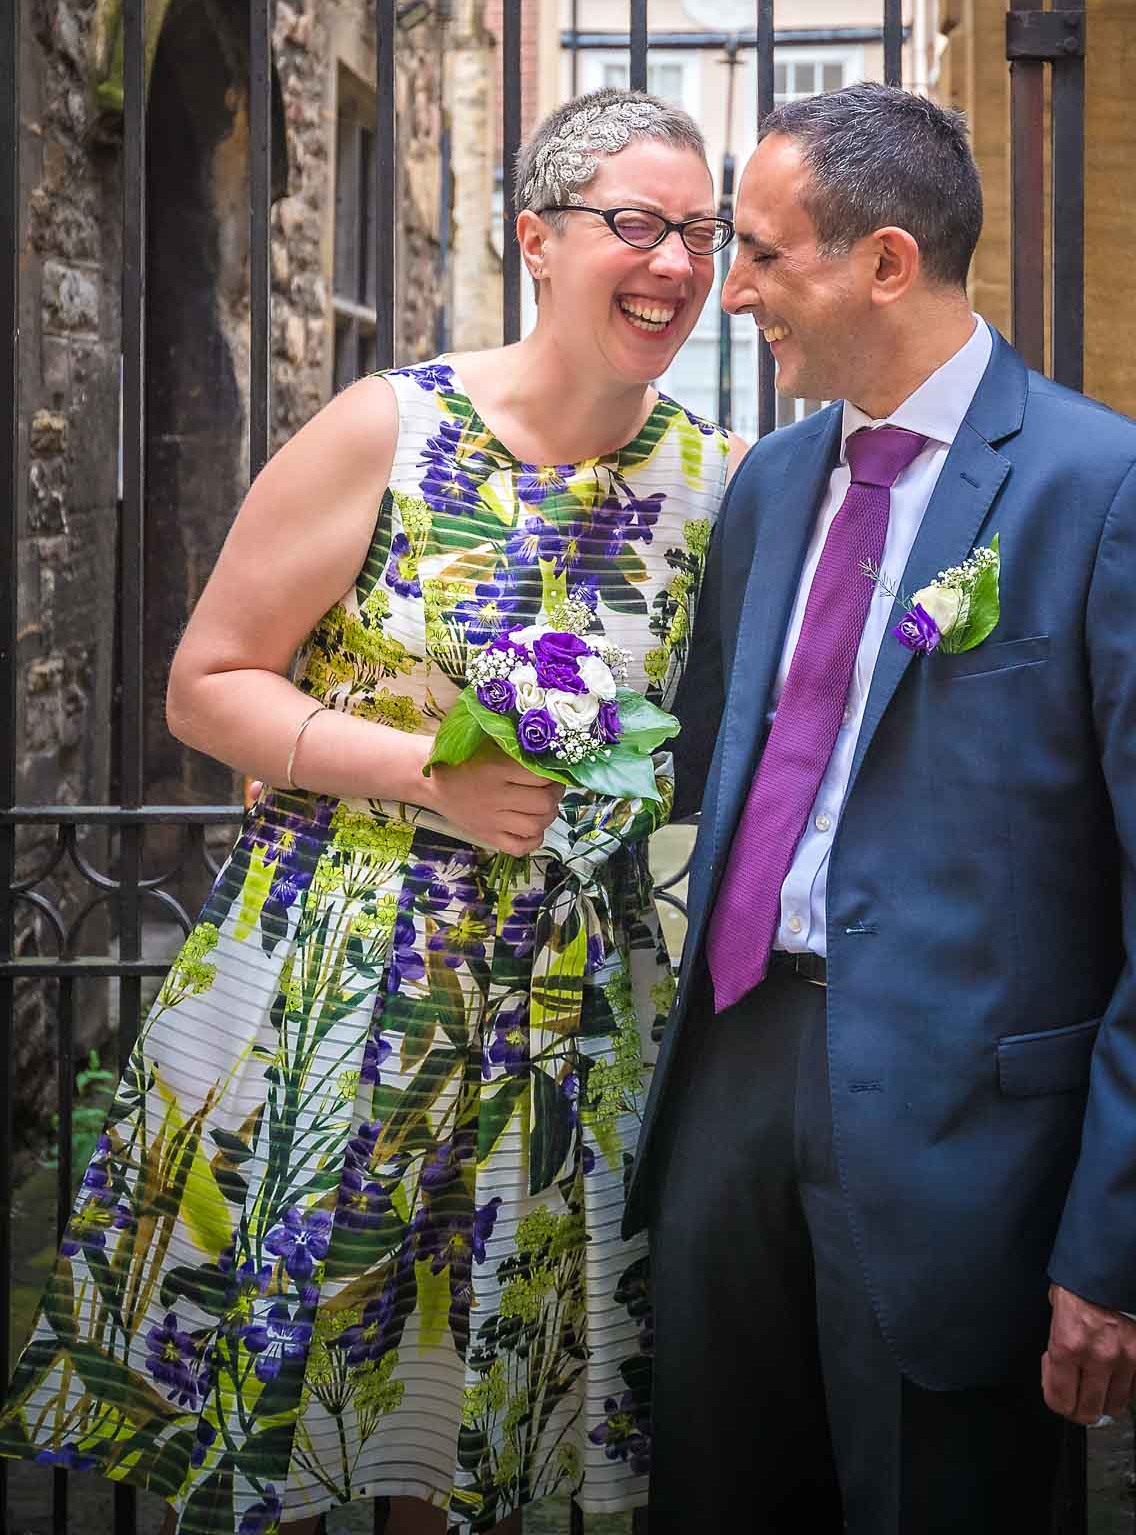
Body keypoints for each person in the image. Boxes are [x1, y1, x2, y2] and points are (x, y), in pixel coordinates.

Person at [0, 88, 743, 1535]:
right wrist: (426, 775)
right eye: (636, 226)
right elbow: (208, 686)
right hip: (344, 972)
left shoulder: (714, 485)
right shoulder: (388, 431)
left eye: (702, 236)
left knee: (477, 1403)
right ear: (537, 237)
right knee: (309, 1377)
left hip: (570, 1010)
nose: (673, 264)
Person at [628, 82, 1136, 1535]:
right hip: (732, 1077)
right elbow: (712, 765)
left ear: (886, 264)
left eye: (763, 254)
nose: (729, 293)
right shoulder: (771, 488)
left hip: (962, 1138)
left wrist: (1126, 1247)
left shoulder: (1112, 493)